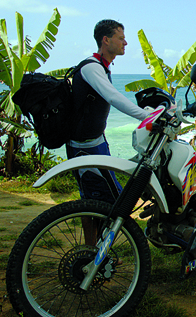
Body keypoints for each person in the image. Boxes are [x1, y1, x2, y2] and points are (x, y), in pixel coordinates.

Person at [66, 20, 149, 243]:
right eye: (121, 38)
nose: (125, 42)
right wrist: (147, 117)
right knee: (96, 200)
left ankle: (95, 249)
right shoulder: (91, 67)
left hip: (97, 143)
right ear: (106, 40)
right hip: (84, 148)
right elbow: (113, 96)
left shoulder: (101, 66)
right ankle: (93, 252)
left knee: (104, 198)